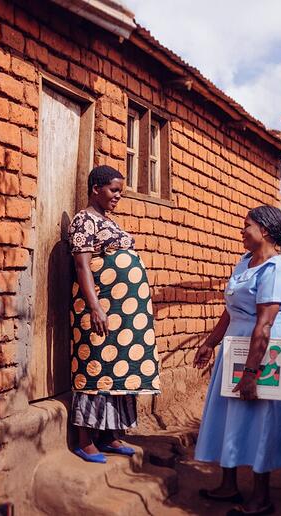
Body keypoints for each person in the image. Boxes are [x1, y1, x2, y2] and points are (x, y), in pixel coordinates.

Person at [192, 205, 281, 515]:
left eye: (247, 226)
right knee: (229, 413)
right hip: (235, 347)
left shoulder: (274, 270)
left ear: (265, 232)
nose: (242, 231)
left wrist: (251, 372)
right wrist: (210, 343)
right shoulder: (245, 262)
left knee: (260, 419)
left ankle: (261, 496)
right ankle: (228, 484)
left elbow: (264, 326)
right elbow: (231, 310)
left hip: (264, 351)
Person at [67, 165, 161, 464]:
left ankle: (109, 434)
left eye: (120, 191)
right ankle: (84, 439)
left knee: (117, 370)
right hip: (101, 309)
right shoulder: (84, 220)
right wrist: (95, 307)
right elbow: (83, 266)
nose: (118, 196)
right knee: (95, 367)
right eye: (114, 190)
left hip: (124, 316)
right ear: (96, 188)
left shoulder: (107, 221)